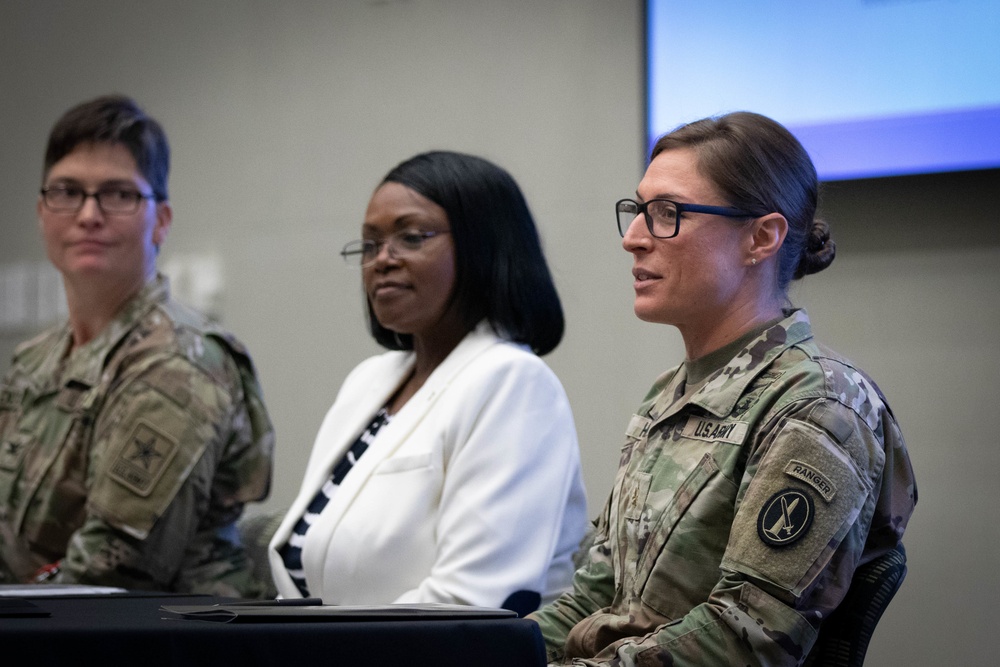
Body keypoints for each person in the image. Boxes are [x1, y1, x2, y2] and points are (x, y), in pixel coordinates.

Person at [529, 112, 917, 665]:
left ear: (761, 237)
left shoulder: (818, 408)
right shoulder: (670, 394)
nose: (634, 239)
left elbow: (746, 640)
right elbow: (594, 598)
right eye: (638, 211)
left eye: (667, 214)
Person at [268, 151, 587, 611]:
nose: (382, 260)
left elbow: (471, 603)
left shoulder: (513, 383)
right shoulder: (368, 381)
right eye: (370, 244)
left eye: (411, 237)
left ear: (485, 246)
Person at [0, 95, 274, 596]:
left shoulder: (178, 362)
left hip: (166, 640)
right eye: (67, 192)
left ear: (161, 220)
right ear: (42, 213)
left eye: (118, 194)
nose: (88, 214)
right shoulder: (34, 360)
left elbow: (112, 569)